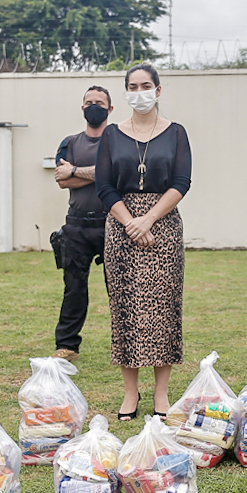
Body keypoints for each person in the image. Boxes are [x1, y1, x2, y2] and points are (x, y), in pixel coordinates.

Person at [94, 64, 191, 420]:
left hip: (163, 224)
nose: (140, 92)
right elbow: (104, 185)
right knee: (126, 308)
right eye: (132, 86)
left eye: (146, 85)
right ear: (125, 93)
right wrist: (131, 221)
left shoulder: (176, 133)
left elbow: (181, 181)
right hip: (121, 224)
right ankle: (130, 394)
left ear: (159, 90)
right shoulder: (111, 135)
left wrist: (149, 219)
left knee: (163, 308)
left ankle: (161, 394)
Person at [52, 85, 113, 360]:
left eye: (99, 102)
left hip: (113, 223)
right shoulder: (70, 142)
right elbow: (62, 181)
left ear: (110, 109)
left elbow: (116, 176)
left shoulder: (119, 140)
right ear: (82, 108)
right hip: (76, 226)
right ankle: (67, 346)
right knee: (74, 288)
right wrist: (99, 174)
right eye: (89, 102)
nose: (93, 106)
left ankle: (124, 344)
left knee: (121, 288)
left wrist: (76, 170)